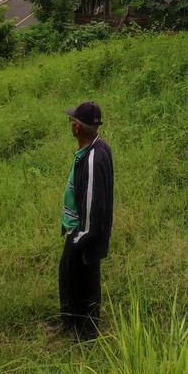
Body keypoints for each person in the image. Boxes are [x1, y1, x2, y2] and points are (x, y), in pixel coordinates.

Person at [55, 100, 114, 340]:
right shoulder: (96, 147)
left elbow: (93, 204)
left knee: (85, 282)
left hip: (84, 234)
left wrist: (80, 238)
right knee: (68, 275)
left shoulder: (92, 159)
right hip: (78, 230)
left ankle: (86, 334)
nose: (71, 123)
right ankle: (69, 324)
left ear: (78, 128)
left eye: (73, 120)